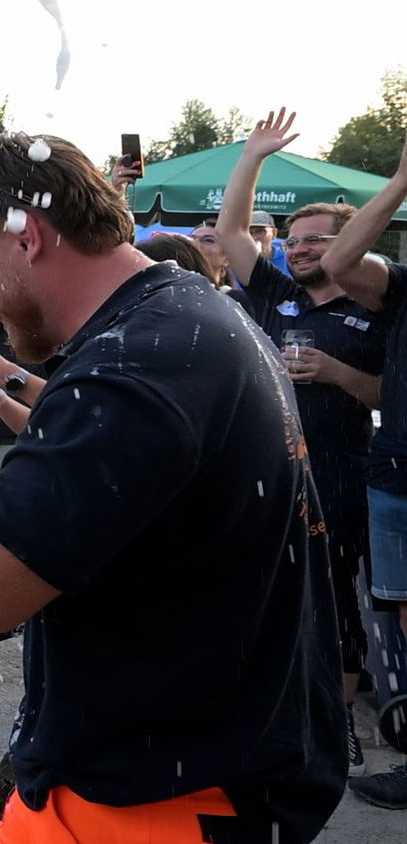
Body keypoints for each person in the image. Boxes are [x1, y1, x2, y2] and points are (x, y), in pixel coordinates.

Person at [0, 132, 344, 840]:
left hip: (163, 801)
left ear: (27, 235)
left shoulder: (134, 364)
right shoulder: (175, 317)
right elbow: (95, 495)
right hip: (180, 769)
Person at [218, 108, 383, 778]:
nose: (301, 248)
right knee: (274, 593)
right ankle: (280, 712)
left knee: (337, 599)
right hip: (274, 474)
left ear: (350, 246)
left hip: (345, 476)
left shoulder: (378, 308)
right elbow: (230, 231)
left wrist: (339, 373)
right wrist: (252, 157)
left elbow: (386, 399)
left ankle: (338, 724)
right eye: (294, 238)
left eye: (317, 240)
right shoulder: (278, 295)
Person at [317, 127, 407, 809]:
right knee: (403, 619)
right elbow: (344, 261)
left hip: (370, 475)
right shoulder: (400, 287)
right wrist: (400, 181)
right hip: (394, 478)